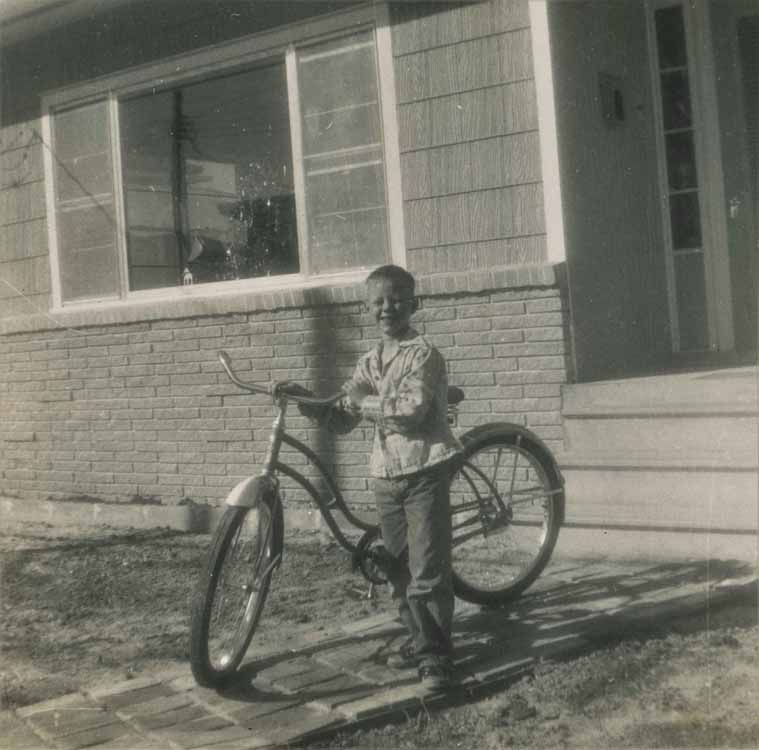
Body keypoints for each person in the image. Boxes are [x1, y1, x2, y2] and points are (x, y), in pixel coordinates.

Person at [301, 264, 462, 689]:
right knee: (397, 567)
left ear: (414, 303)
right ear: (365, 308)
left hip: (424, 468)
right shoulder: (369, 361)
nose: (386, 308)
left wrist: (363, 403)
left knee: (427, 568)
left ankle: (437, 658)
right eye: (376, 302)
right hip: (385, 475)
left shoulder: (422, 353)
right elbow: (344, 417)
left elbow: (411, 412)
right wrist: (318, 407)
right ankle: (418, 638)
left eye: (396, 299)